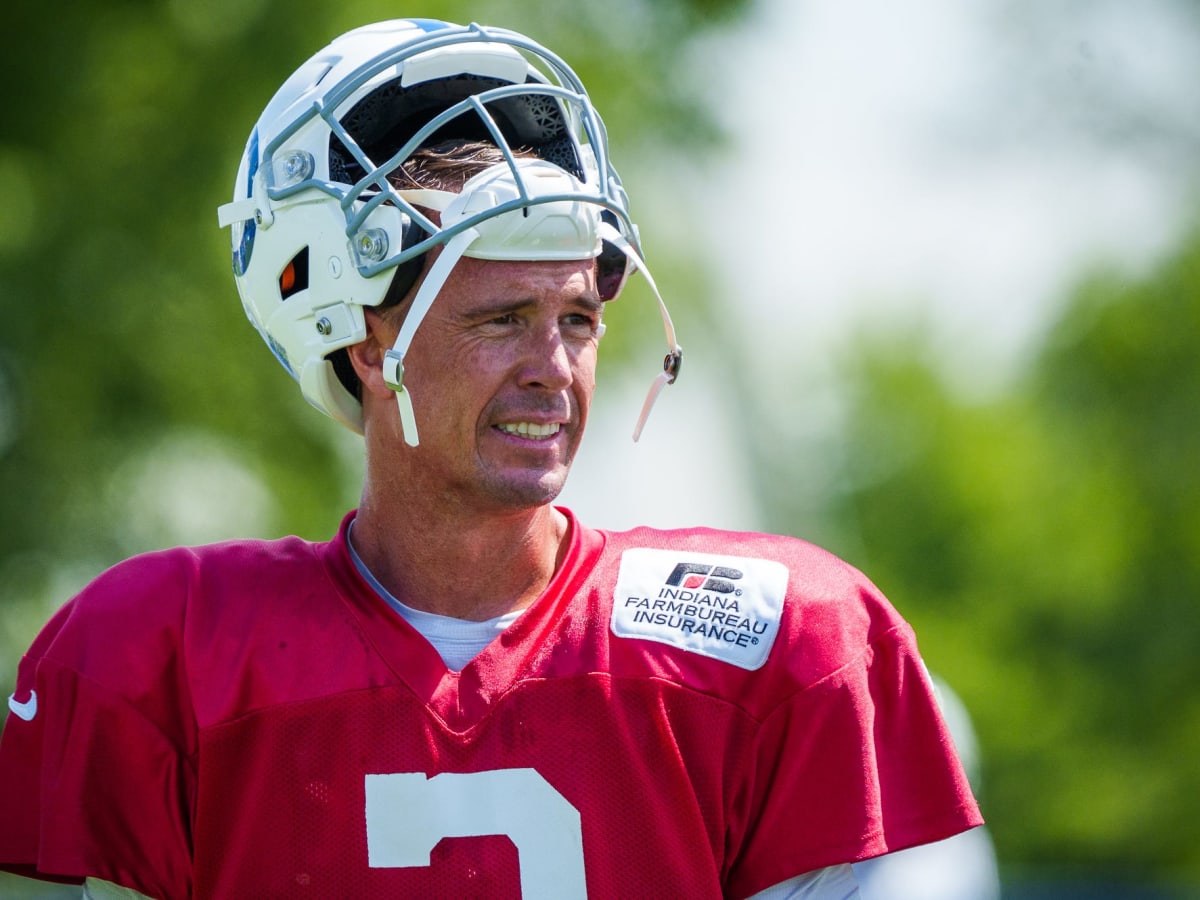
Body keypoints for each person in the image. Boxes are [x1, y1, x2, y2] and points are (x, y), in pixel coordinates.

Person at [0, 18, 984, 899]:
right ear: (362, 344)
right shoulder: (155, 657)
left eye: (578, 318)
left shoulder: (779, 642)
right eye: (502, 319)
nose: (553, 369)